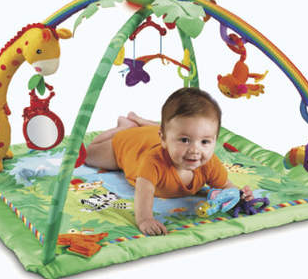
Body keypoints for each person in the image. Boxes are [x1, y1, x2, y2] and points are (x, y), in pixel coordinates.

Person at [85, 88, 253, 236]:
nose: (195, 150)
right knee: (88, 154)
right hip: (129, 145)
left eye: (205, 142)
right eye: (185, 140)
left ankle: (144, 123)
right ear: (164, 140)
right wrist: (145, 219)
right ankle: (123, 128)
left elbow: (226, 187)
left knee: (165, 130)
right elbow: (144, 192)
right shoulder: (153, 162)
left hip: (155, 134)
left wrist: (239, 195)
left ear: (215, 141)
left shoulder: (210, 164)